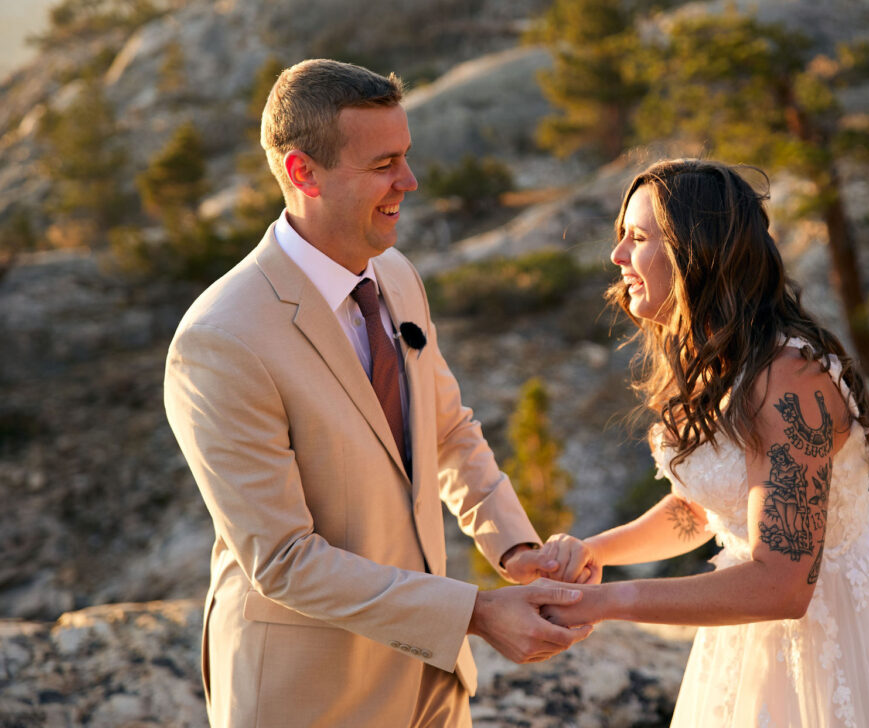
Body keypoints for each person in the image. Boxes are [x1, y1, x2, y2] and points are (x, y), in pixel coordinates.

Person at [163, 59, 591, 728]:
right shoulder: (220, 341)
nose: (409, 182)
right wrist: (474, 614)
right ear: (303, 173)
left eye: (407, 156)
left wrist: (512, 547)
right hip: (310, 698)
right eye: (384, 164)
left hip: (433, 689)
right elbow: (281, 560)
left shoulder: (396, 276)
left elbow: (447, 432)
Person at [536, 159, 869, 727]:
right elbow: (711, 507)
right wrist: (597, 553)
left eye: (637, 238)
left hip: (838, 642)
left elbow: (782, 584)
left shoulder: (787, 379)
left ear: (697, 251)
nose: (617, 258)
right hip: (750, 639)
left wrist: (605, 603)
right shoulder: (719, 362)